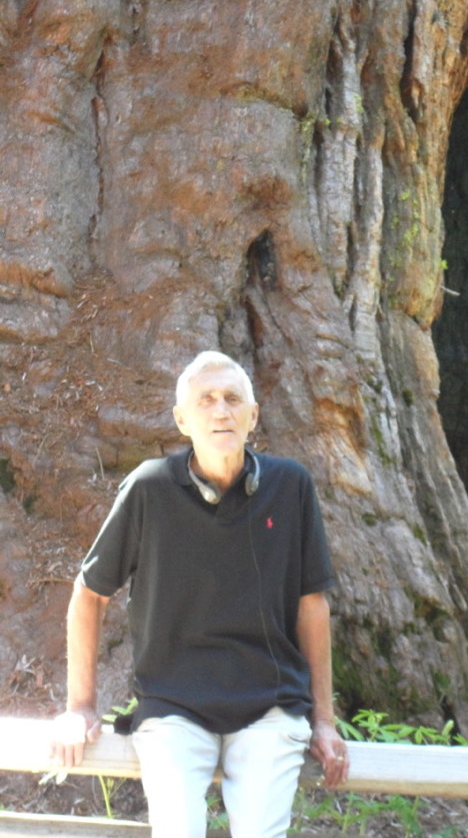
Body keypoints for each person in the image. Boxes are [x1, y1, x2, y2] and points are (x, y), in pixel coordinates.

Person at [51, 350, 349, 838]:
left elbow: (312, 605)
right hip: (173, 707)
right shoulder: (148, 489)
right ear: (182, 419)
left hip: (269, 706)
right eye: (206, 400)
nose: (221, 411)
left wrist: (325, 720)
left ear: (253, 416)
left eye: (233, 399)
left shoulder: (290, 486)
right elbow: (89, 594)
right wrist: (79, 706)